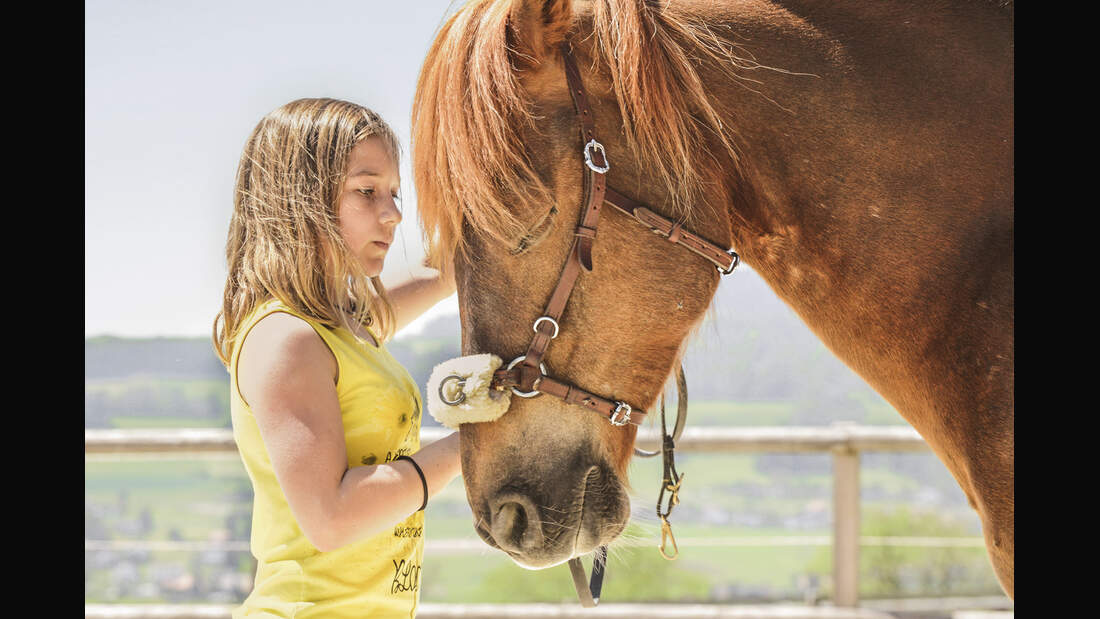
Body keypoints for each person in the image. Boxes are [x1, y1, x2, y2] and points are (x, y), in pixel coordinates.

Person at [212, 98, 461, 618]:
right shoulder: (287, 338)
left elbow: (432, 280)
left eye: (394, 193)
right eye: (366, 191)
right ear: (301, 196)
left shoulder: (341, 325)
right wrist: (478, 442)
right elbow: (332, 518)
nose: (392, 213)